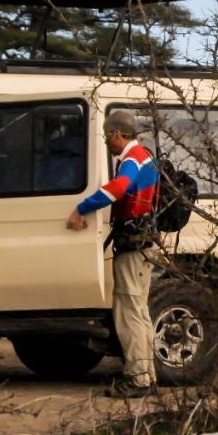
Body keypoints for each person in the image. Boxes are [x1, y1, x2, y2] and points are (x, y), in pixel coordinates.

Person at [67, 110, 159, 398]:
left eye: (108, 136)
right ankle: (147, 375)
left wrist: (82, 208)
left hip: (133, 246)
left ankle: (137, 379)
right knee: (140, 311)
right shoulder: (146, 156)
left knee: (128, 311)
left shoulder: (132, 160)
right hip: (143, 243)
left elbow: (118, 189)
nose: (107, 142)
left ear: (118, 134)